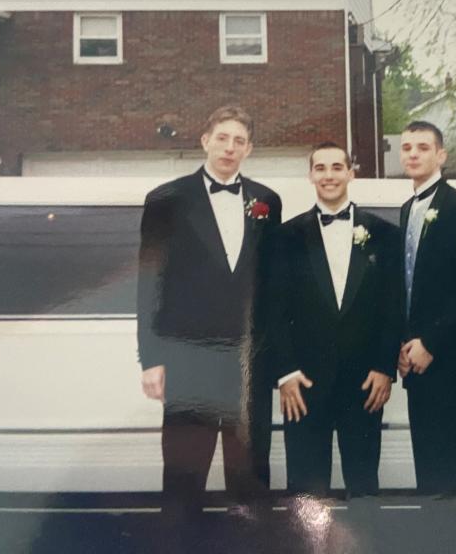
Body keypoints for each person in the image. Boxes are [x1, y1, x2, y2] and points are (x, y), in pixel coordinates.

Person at [136, 105, 282, 525]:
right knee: (185, 475)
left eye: (239, 141)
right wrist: (152, 359)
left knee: (250, 478)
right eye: (223, 138)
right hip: (188, 360)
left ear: (249, 149)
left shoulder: (267, 202)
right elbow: (150, 286)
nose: (230, 148)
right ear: (205, 140)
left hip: (246, 364)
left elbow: (272, 287)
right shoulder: (166, 200)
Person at [264, 143, 401, 496]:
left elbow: (393, 306)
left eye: (337, 167)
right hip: (303, 385)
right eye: (321, 168)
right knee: (306, 494)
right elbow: (273, 310)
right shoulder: (285, 237)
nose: (329, 175)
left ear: (351, 173)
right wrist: (286, 373)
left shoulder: (385, 235)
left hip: (365, 384)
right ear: (310, 175)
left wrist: (384, 366)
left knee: (364, 486)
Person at [398, 120, 456, 495]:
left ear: (441, 155)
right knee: (429, 469)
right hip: (417, 363)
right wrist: (405, 345)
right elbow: (408, 285)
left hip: (452, 361)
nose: (414, 154)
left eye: (423, 147)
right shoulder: (407, 209)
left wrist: (430, 342)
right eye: (407, 148)